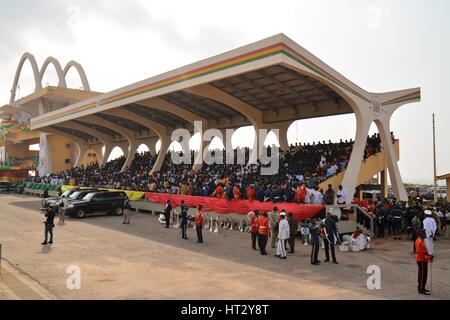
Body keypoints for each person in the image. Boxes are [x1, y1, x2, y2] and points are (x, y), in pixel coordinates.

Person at [415, 229, 432, 295]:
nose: (425, 234)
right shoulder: (420, 242)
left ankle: (422, 287)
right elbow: (421, 254)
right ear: (421, 234)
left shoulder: (420, 240)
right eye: (424, 233)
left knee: (423, 275)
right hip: (421, 260)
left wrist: (428, 255)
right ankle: (421, 289)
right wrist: (429, 257)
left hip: (422, 260)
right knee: (422, 275)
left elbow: (424, 252)